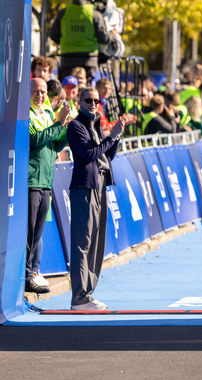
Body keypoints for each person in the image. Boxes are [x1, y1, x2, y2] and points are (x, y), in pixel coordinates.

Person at [67, 87, 125, 310]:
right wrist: (110, 137)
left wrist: (115, 137)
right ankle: (79, 297)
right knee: (83, 241)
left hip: (100, 185)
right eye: (88, 100)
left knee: (96, 241)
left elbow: (106, 156)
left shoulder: (95, 124)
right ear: (79, 101)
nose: (93, 103)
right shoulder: (76, 125)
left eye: (96, 100)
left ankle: (87, 293)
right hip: (84, 186)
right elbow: (89, 154)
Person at [27, 78, 71, 293]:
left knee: (38, 231)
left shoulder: (46, 113)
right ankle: (27, 275)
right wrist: (58, 125)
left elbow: (54, 144)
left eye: (43, 91)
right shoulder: (23, 113)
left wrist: (65, 130)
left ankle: (34, 271)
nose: (40, 95)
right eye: (35, 91)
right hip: (31, 180)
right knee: (29, 230)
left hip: (46, 180)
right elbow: (35, 140)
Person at [49, 0, 117, 82]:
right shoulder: (94, 14)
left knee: (67, 87)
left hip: (67, 58)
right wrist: (112, 34)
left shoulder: (63, 13)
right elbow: (103, 39)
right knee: (86, 90)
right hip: (88, 59)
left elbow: (53, 35)